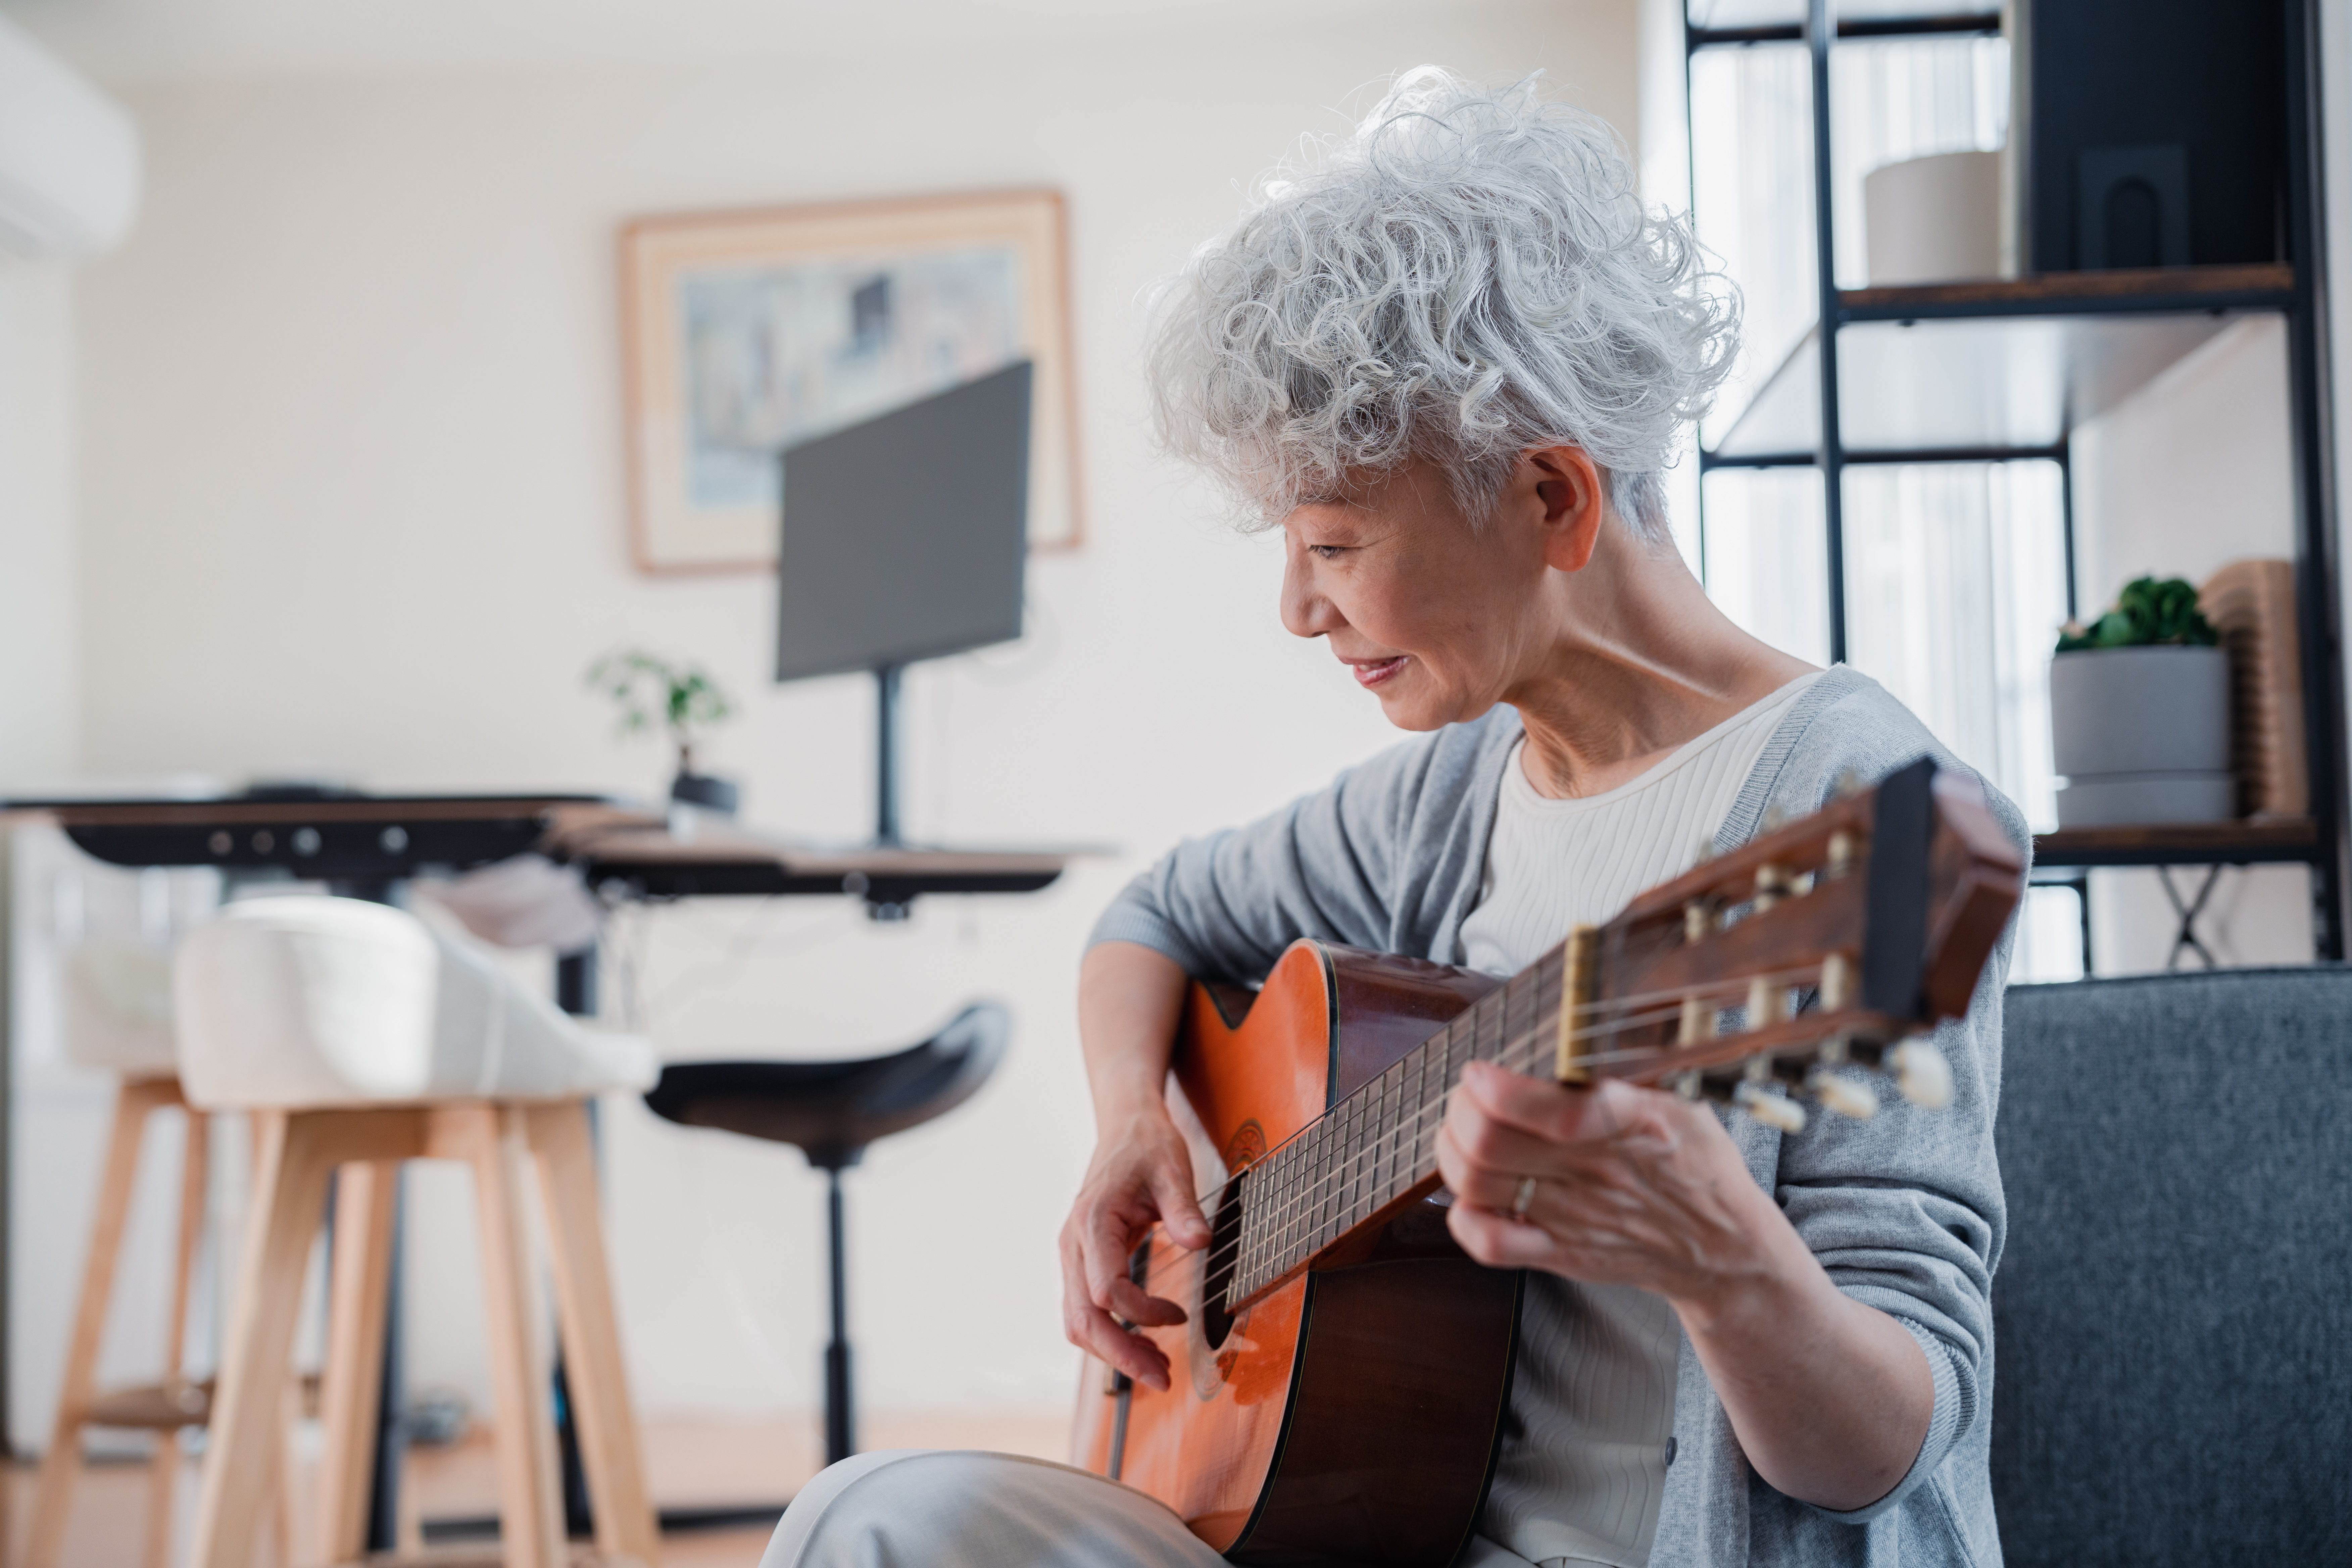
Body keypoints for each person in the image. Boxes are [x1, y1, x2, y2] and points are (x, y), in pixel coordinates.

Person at [764, 67, 2021, 1568]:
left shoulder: (1844, 819)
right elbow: (1152, 913)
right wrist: (1125, 1131)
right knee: (871, 1518)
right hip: (1361, 1530)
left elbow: (1887, 1456)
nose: (1300, 609)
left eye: (1337, 544)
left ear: (1552, 496)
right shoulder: (1451, 794)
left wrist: (1730, 1267)